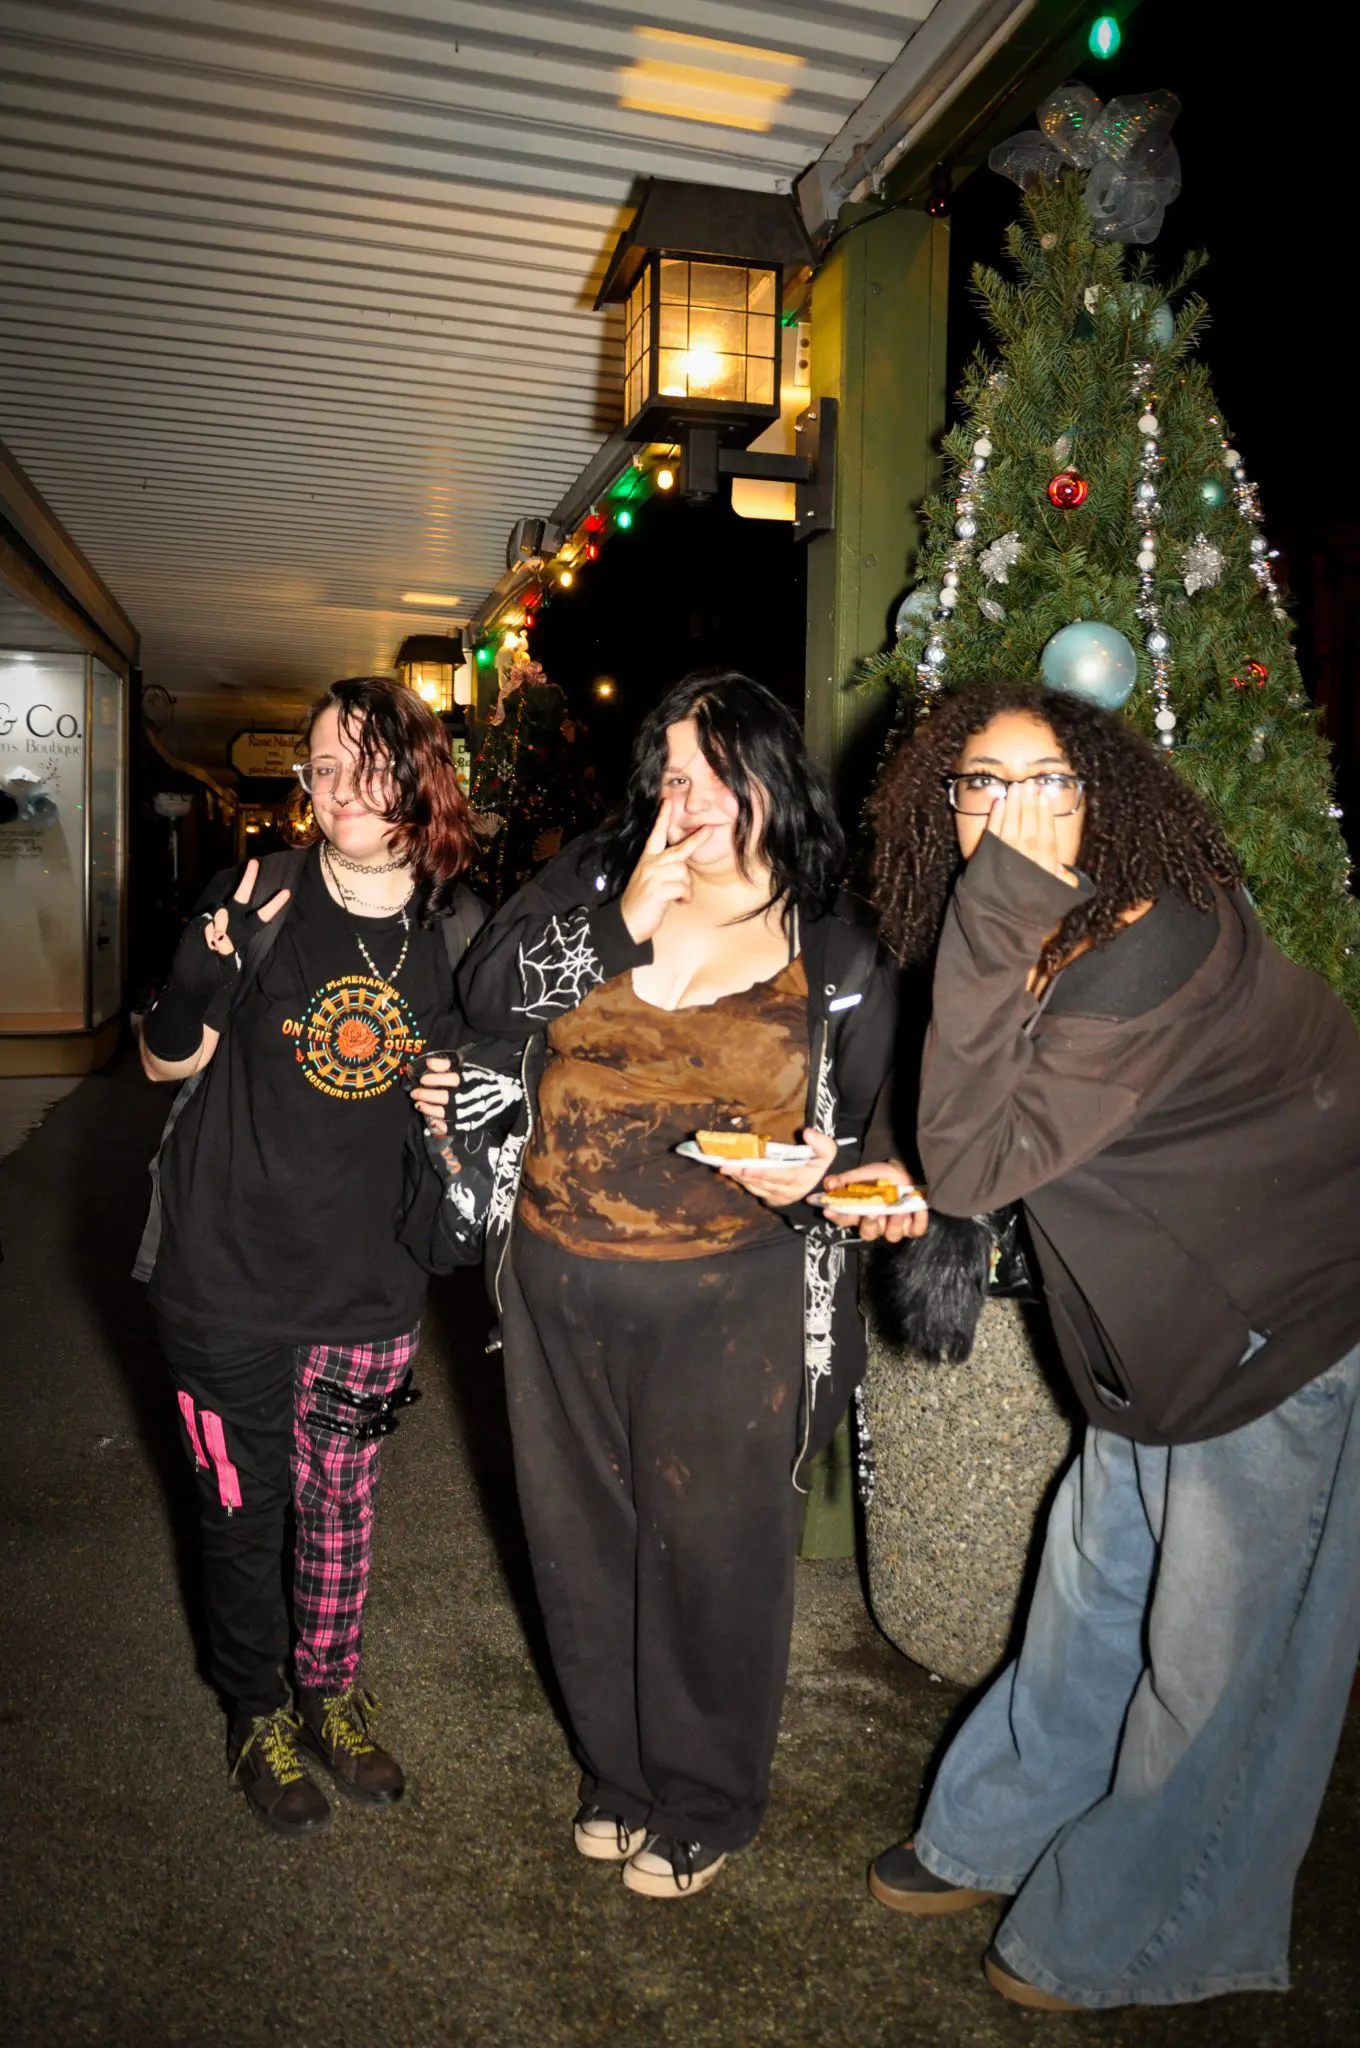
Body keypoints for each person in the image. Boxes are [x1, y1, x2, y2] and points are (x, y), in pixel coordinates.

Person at [834, 681, 1360, 2009]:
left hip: (1287, 1336)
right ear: (941, 809)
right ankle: (998, 1834)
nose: (1014, 813)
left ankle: (1144, 1928)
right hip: (1158, 1340)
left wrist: (933, 1160)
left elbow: (977, 1149)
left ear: (1103, 794)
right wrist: (886, 1167)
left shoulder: (1153, 945)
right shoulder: (1052, 936)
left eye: (1049, 780)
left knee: (1218, 1669)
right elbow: (968, 1112)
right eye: (982, 787)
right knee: (1088, 1608)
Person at [415, 670, 911, 1896]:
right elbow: (484, 992)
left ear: (768, 782)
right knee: (579, 1542)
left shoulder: (833, 946)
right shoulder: (597, 880)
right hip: (552, 1278)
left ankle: (706, 1795)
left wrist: (821, 1175)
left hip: (728, 1304)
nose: (680, 797)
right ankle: (620, 1773)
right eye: (668, 773)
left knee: (714, 1552)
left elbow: (873, 1148)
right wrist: (621, 916)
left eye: (707, 771)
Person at [137, 676, 481, 1836]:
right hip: (223, 1271)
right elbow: (162, 1060)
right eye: (322, 767)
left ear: (418, 778)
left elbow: (465, 1102)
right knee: (242, 1507)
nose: (337, 789)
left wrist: (454, 1111)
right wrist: (199, 966)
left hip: (367, 1280)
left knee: (341, 1504)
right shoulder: (263, 895)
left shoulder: (456, 931)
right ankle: (255, 1707)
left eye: (365, 764)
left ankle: (330, 1690)